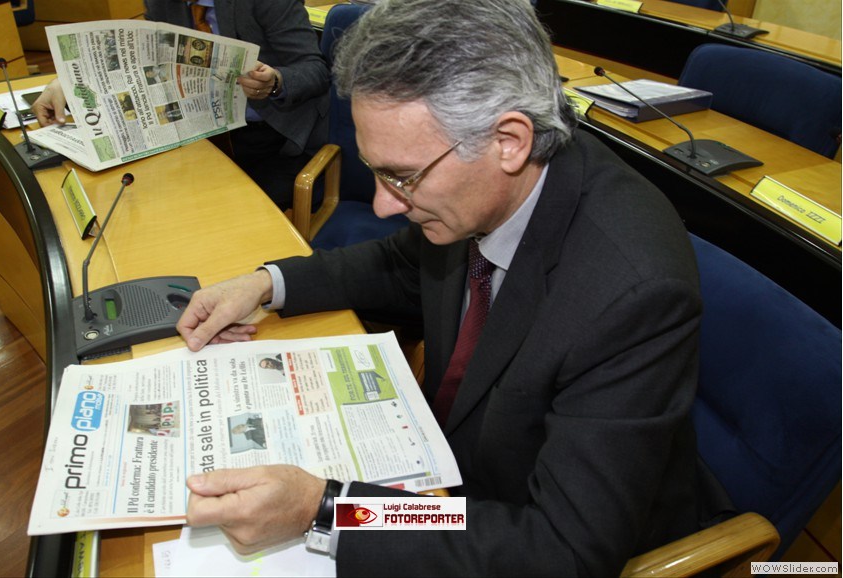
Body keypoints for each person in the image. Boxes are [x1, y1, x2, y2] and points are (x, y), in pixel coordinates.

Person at [176, 0, 729, 575]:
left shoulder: (632, 296)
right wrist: (265, 283)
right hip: (445, 468)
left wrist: (329, 511)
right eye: (377, 171)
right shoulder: (484, 185)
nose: (385, 205)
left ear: (509, 141)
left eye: (402, 177)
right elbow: (401, 263)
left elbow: (560, 549)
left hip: (512, 525)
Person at [31, 0, 329, 210]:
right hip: (204, 130)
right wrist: (66, 84)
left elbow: (315, 69)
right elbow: (141, 60)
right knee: (148, 200)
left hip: (275, 137)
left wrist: (275, 81)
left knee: (225, 213)